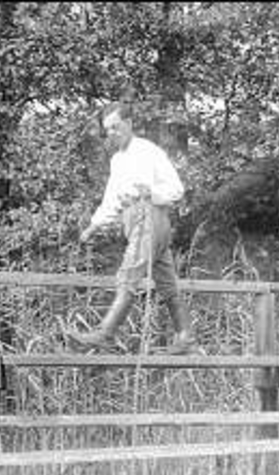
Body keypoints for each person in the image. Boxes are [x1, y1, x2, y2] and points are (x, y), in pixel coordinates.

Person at [68, 102, 196, 354]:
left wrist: (153, 193)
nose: (112, 133)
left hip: (149, 217)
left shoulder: (148, 151)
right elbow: (112, 199)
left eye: (116, 127)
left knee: (128, 275)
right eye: (108, 129)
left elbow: (176, 189)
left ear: (128, 123)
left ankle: (105, 334)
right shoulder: (117, 160)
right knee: (167, 282)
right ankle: (186, 337)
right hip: (132, 219)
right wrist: (93, 227)